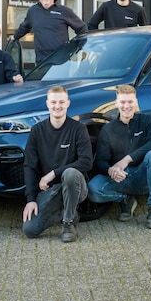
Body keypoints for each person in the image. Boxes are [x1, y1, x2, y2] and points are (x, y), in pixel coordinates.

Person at [87, 85, 151, 229]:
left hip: (143, 175)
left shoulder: (147, 120)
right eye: (122, 102)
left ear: (136, 102)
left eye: (130, 102)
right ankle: (125, 200)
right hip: (121, 179)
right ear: (116, 103)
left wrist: (127, 159)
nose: (126, 106)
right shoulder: (108, 130)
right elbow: (101, 160)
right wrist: (110, 170)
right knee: (92, 189)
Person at [22, 85, 92, 243]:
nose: (57, 106)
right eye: (53, 102)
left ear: (68, 103)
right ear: (47, 104)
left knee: (70, 173)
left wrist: (53, 173)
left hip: (76, 186)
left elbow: (86, 162)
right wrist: (31, 199)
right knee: (30, 229)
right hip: (52, 190)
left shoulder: (78, 128)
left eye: (61, 102)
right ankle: (67, 211)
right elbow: (29, 166)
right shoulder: (37, 131)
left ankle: (68, 223)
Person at [11, 0, 87, 65]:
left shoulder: (65, 11)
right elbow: (24, 26)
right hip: (41, 62)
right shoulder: (33, 11)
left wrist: (76, 47)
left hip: (61, 62)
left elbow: (82, 29)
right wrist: (15, 37)